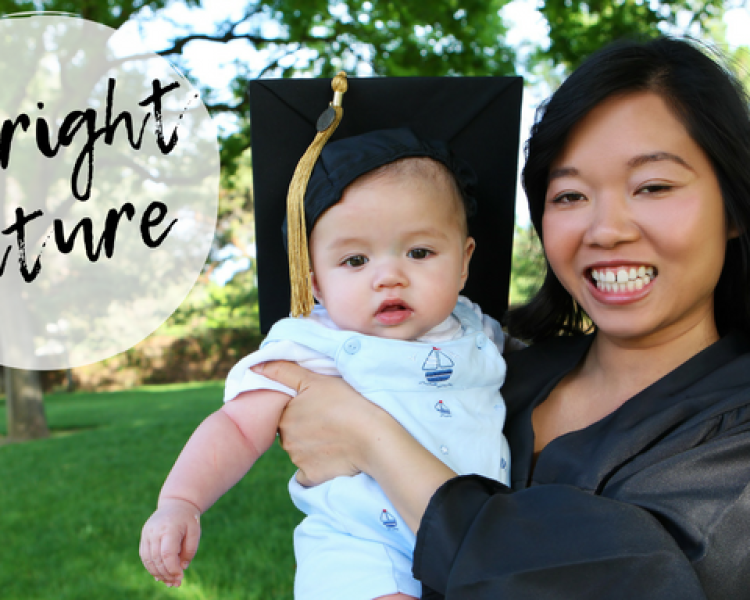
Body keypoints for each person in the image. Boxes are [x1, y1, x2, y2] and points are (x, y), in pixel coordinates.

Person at [253, 36, 750, 599]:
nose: (606, 229)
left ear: (733, 205)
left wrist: (371, 440)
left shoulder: (735, 429)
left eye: (653, 186)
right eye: (569, 195)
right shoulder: (499, 368)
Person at [139, 127, 513, 600]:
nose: (389, 276)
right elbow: (235, 427)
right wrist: (181, 500)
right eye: (355, 260)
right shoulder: (314, 341)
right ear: (315, 282)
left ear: (463, 261)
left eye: (419, 252)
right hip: (361, 545)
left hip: (473, 537)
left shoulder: (478, 331)